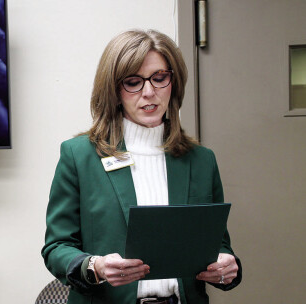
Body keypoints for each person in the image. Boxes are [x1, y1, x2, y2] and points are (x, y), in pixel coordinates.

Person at [41, 29, 242, 304]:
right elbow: (56, 248)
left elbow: (217, 245)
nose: (149, 92)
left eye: (160, 78)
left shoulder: (201, 160)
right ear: (114, 90)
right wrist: (94, 266)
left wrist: (227, 265)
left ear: (174, 82)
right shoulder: (80, 156)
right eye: (134, 82)